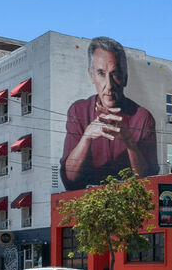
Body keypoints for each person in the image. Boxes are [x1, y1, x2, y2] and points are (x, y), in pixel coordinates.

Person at [60, 37, 159, 190]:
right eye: (101, 73)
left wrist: (129, 142)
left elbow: (148, 181)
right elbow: (70, 180)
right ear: (91, 75)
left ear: (125, 78)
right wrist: (86, 138)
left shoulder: (143, 118)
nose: (109, 85)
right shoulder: (78, 111)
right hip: (87, 205)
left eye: (115, 74)